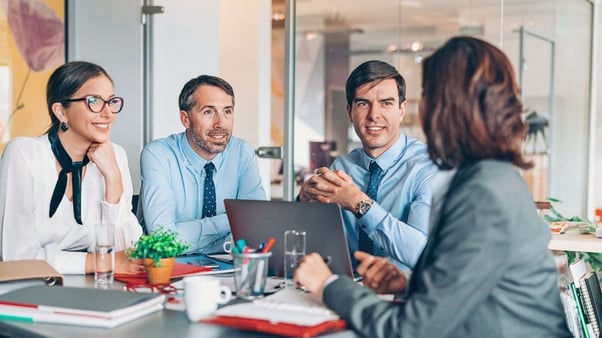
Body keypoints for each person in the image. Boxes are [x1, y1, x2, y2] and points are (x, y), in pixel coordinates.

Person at [294, 36, 571, 337]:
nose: (423, 108)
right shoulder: (486, 177)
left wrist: (328, 285)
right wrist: (409, 283)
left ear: (447, 106)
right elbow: (469, 280)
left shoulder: (483, 193)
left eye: (429, 95)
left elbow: (412, 330)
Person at [0, 61, 143, 275]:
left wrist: (113, 181)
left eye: (111, 102)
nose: (108, 113)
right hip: (31, 290)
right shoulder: (23, 154)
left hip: (95, 288)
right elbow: (18, 257)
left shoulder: (115, 156)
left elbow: (126, 253)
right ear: (61, 112)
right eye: (94, 101)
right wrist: (99, 262)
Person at [298, 60, 436, 270]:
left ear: (402, 110)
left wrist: (359, 203)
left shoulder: (428, 167)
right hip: (344, 286)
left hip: (400, 293)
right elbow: (314, 241)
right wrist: (303, 202)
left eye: (386, 103)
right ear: (349, 111)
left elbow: (423, 254)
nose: (374, 115)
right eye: (363, 103)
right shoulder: (342, 166)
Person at [138, 75, 266, 254]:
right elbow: (163, 240)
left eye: (227, 111)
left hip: (228, 269)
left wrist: (186, 234)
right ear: (185, 119)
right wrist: (232, 221)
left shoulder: (241, 152)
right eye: (208, 112)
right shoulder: (158, 154)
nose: (220, 123)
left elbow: (257, 227)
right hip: (167, 270)